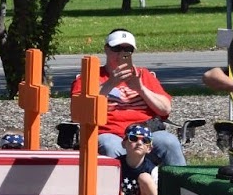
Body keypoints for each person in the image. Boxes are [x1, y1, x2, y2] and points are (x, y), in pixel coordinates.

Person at [70, 29, 186, 166]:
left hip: (146, 132)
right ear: (106, 49)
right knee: (110, 146)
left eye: (128, 49)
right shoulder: (90, 76)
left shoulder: (142, 75)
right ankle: (120, 186)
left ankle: (178, 186)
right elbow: (79, 112)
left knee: (169, 142)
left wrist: (141, 89)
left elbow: (165, 109)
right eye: (117, 48)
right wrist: (110, 83)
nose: (122, 53)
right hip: (109, 133)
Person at [117, 124, 161, 195]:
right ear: (124, 143)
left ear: (149, 148)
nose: (139, 143)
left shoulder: (153, 169)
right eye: (133, 138)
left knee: (144, 177)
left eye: (145, 140)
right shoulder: (115, 166)